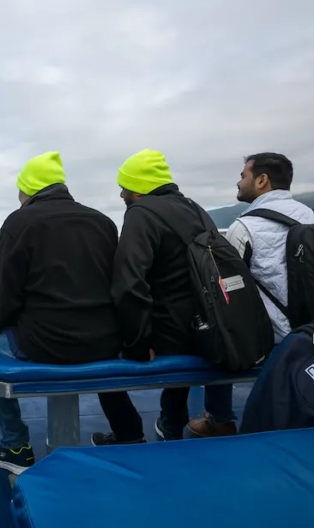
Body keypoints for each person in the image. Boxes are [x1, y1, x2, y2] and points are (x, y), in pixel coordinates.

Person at [0, 152, 126, 473]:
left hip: (45, 344)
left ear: (28, 187)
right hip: (104, 343)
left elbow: (0, 303)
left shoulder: (19, 223)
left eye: (20, 189)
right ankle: (128, 433)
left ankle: (14, 444)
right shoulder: (102, 222)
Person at [93, 149, 238, 444]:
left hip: (173, 336)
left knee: (97, 349)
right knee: (177, 324)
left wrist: (137, 343)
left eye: (123, 187)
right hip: (209, 329)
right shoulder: (195, 209)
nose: (121, 194)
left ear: (137, 187)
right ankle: (170, 423)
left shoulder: (141, 214)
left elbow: (129, 283)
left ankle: (128, 435)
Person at [187, 153, 314, 437]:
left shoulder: (244, 227)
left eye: (243, 175)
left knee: (219, 331)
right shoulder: (313, 217)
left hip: (269, 340)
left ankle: (219, 420)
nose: (239, 181)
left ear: (262, 180)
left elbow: (224, 294)